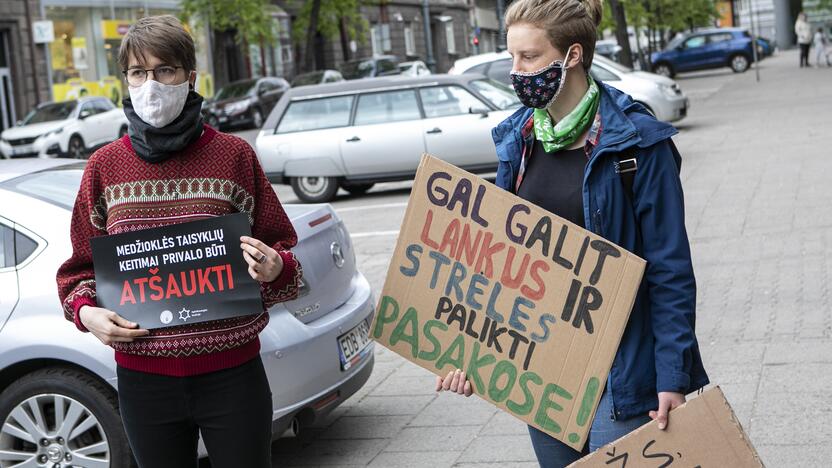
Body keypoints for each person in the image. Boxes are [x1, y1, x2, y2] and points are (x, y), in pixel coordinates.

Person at [434, 1, 708, 466]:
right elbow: (500, 260)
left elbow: (670, 272)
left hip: (622, 371)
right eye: (512, 57)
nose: (515, 71)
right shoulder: (517, 141)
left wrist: (672, 379)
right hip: (542, 372)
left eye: (529, 57)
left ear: (573, 55)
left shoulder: (639, 145)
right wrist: (472, 352)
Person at [55, 15, 302, 468]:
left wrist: (276, 266)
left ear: (190, 77)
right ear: (125, 81)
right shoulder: (104, 168)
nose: (151, 84)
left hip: (233, 375)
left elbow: (284, 252)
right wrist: (87, 313)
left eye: (164, 70)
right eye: (138, 73)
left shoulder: (233, 156)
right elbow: (78, 273)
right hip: (144, 382)